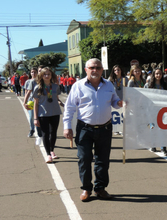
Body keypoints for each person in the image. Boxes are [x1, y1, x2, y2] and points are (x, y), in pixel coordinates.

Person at [63, 58, 123, 202]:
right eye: (92, 67)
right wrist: (67, 126)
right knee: (84, 159)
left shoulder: (108, 85)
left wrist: (119, 103)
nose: (95, 70)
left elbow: (114, 102)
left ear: (102, 70)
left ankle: (100, 188)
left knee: (102, 160)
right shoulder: (78, 86)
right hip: (85, 129)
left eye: (98, 67)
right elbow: (69, 107)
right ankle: (86, 188)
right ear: (86, 70)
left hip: (105, 128)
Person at [33, 67, 63, 163]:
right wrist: (35, 118)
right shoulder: (38, 88)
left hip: (55, 113)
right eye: (45, 74)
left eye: (48, 74)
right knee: (45, 134)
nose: (47, 76)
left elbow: (56, 98)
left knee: (53, 133)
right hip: (43, 114)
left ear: (51, 75)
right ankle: (48, 154)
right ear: (41, 76)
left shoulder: (55, 86)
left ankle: (51, 150)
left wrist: (60, 102)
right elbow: (36, 103)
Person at [144, 68, 167, 156]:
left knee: (162, 128)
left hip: (162, 110)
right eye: (156, 74)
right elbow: (144, 97)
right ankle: (153, 144)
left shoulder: (165, 85)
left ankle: (163, 148)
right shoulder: (148, 85)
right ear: (154, 75)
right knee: (152, 128)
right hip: (151, 110)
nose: (158, 75)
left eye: (160, 74)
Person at [23, 68, 43, 141]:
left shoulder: (40, 81)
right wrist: (25, 101)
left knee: (38, 117)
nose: (33, 73)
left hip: (39, 101)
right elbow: (26, 92)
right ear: (30, 73)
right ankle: (32, 129)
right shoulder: (28, 81)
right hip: (31, 101)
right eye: (32, 72)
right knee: (31, 116)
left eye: (35, 72)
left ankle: (40, 132)